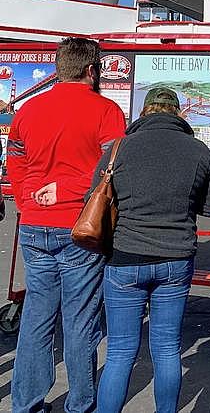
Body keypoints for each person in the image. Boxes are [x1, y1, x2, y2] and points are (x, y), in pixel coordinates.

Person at [7, 37, 126, 413]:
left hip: (34, 224)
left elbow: (16, 161)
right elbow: (111, 171)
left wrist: (29, 199)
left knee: (37, 318)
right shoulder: (107, 111)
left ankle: (26, 402)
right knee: (80, 320)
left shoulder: (28, 110)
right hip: (81, 228)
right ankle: (80, 404)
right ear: (92, 71)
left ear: (59, 68)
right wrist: (67, 191)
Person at [95, 87, 210, 413]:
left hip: (125, 258)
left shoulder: (118, 150)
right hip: (175, 260)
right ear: (178, 113)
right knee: (167, 349)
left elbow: (92, 201)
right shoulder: (199, 151)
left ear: (144, 112)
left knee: (121, 352)